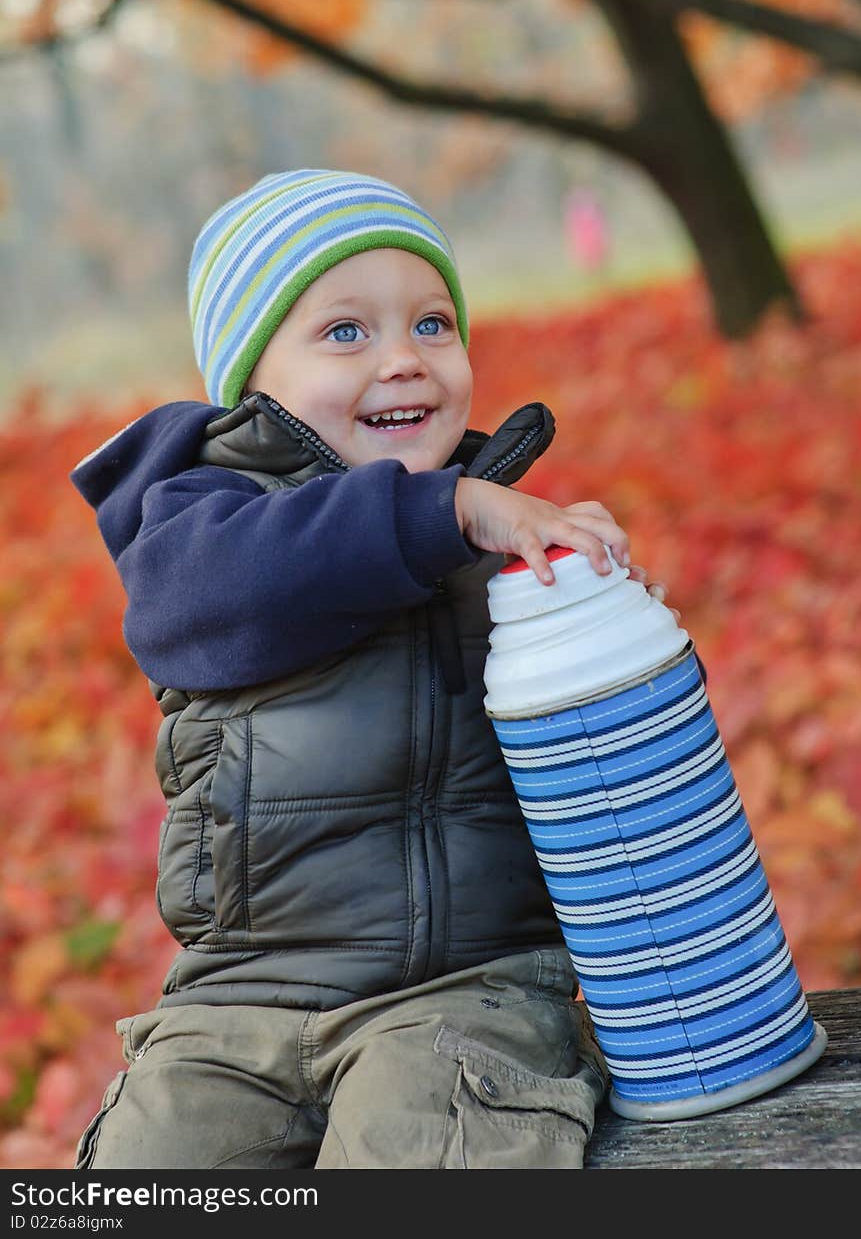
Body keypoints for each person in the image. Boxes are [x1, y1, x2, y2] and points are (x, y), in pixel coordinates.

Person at [69, 169, 672, 1170]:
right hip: (239, 1000)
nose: (404, 361)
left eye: (433, 325)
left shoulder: (500, 540)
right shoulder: (195, 530)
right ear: (253, 377)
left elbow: (616, 776)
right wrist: (449, 512)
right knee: (151, 1161)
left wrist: (603, 608)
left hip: (460, 996)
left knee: (427, 1142)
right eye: (347, 333)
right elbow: (221, 594)